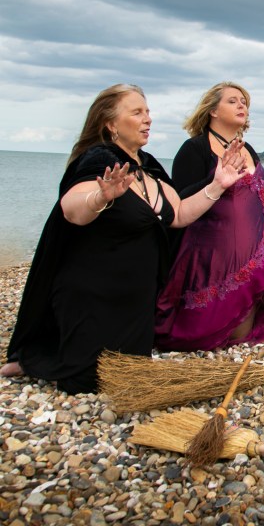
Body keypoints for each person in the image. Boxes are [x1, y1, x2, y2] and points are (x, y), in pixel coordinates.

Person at [0, 84, 245, 393]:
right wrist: (100, 198)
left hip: (135, 303)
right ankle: (32, 360)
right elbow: (71, 210)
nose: (148, 119)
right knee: (87, 379)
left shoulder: (149, 168)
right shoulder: (98, 163)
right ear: (111, 124)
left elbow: (179, 214)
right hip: (93, 297)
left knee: (127, 374)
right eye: (137, 112)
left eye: (148, 112)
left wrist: (218, 185)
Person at [154, 82, 264, 351]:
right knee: (206, 334)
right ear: (212, 110)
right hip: (211, 255)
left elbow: (262, 199)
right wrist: (217, 179)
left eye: (244, 101)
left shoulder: (249, 150)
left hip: (253, 252)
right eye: (233, 101)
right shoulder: (195, 149)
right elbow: (179, 201)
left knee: (241, 336)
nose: (242, 105)